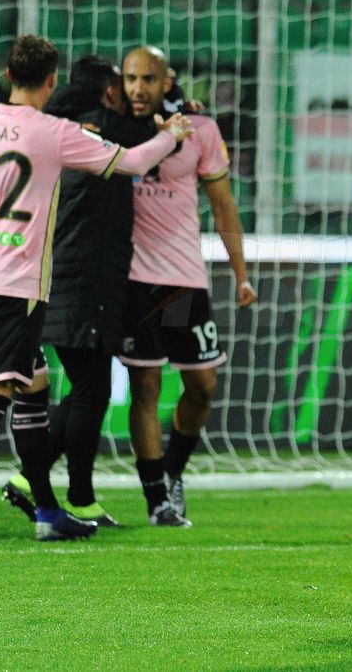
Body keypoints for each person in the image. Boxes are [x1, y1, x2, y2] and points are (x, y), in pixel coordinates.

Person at [0, 34, 192, 539]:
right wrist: (170, 135)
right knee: (4, 393)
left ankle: (46, 511)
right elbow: (128, 162)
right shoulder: (54, 132)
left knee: (34, 389)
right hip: (17, 287)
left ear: (9, 75)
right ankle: (54, 507)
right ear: (51, 79)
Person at [117, 46, 256, 527]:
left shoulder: (201, 129)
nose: (138, 88)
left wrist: (241, 272)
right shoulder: (108, 123)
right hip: (134, 280)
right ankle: (157, 499)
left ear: (167, 81)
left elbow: (223, 206)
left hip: (181, 284)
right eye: (131, 78)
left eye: (148, 79)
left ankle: (173, 474)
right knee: (146, 384)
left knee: (201, 384)